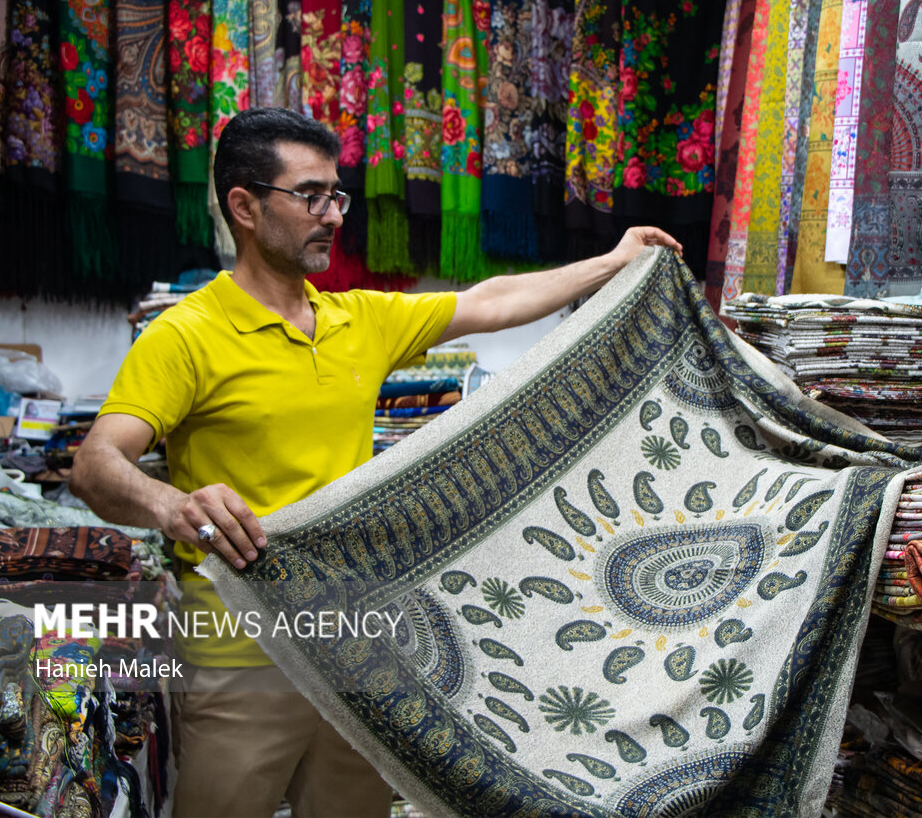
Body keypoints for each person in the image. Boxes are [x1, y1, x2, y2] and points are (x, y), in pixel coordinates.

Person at [70, 107, 681, 818]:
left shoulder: (356, 321)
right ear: (243, 205)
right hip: (244, 658)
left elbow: (489, 301)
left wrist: (612, 261)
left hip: (355, 649)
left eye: (336, 195)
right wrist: (171, 506)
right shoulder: (187, 336)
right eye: (309, 196)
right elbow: (96, 464)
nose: (331, 215)